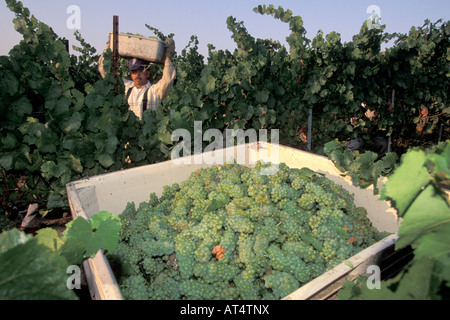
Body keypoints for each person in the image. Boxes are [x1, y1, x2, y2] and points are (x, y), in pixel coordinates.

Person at [98, 38, 176, 119]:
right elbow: (104, 71)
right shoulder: (125, 87)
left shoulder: (155, 91)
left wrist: (168, 57)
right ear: (131, 74)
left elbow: (168, 80)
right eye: (134, 71)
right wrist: (108, 48)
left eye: (141, 71)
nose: (137, 74)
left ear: (148, 73)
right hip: (128, 131)